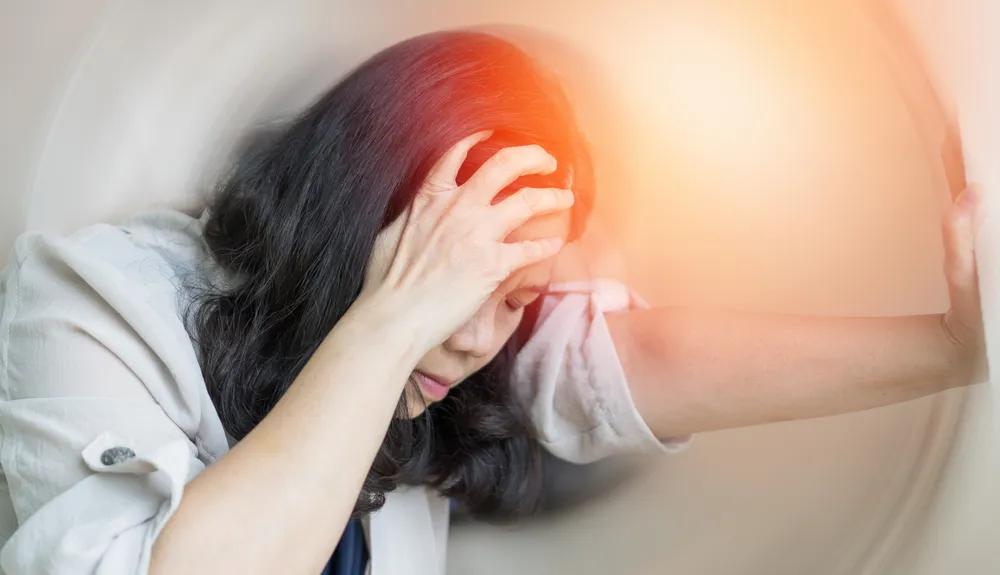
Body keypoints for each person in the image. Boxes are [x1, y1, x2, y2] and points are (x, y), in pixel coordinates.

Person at [0, 28, 984, 575]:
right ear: (356, 221)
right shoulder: (94, 300)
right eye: (455, 279)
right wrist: (389, 319)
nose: (477, 337)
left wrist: (953, 346)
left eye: (515, 298)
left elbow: (639, 361)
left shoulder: (453, 358)